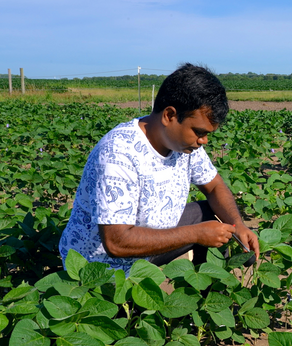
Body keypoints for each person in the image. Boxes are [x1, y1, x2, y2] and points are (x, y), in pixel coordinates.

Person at [59, 63, 259, 275]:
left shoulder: (186, 145)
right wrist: (195, 234)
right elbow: (116, 242)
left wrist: (238, 225)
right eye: (199, 132)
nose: (204, 140)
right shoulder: (118, 152)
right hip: (103, 266)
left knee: (211, 215)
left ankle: (210, 302)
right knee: (203, 228)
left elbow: (214, 186)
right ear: (169, 115)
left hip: (149, 245)